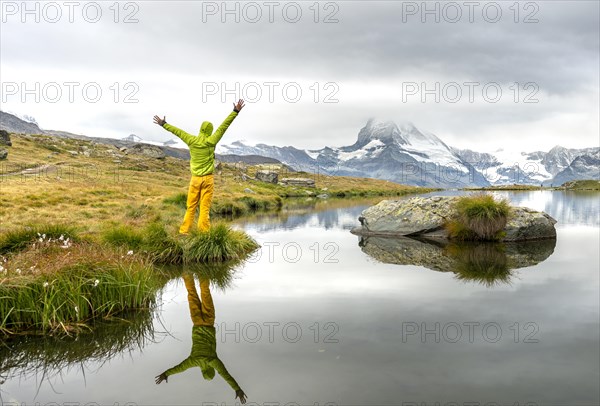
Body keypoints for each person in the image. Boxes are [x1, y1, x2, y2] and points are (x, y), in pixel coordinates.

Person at [153, 99, 245, 234]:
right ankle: (203, 233)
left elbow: (177, 132)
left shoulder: (191, 140)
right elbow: (224, 126)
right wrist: (235, 111)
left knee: (191, 206)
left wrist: (164, 124)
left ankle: (184, 231)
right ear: (209, 131)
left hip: (195, 179)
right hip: (208, 179)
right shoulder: (212, 140)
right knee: (204, 208)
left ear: (201, 129)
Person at [155, 274, 247, 404]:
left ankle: (203, 271)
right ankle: (187, 272)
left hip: (209, 322)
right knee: (191, 294)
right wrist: (166, 374)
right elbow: (179, 368)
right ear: (203, 371)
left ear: (212, 370)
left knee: (205, 292)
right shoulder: (193, 361)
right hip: (197, 322)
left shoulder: (214, 362)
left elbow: (226, 375)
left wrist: (237, 389)